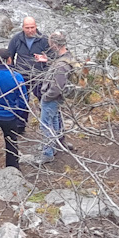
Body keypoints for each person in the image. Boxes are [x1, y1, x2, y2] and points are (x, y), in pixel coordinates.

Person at [38, 31, 72, 163]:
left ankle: (48, 153)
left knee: (46, 125)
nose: (50, 46)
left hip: (52, 98)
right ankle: (56, 145)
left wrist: (46, 97)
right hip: (57, 99)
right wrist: (47, 60)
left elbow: (57, 87)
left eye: (51, 44)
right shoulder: (67, 57)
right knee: (55, 120)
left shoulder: (61, 66)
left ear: (55, 45)